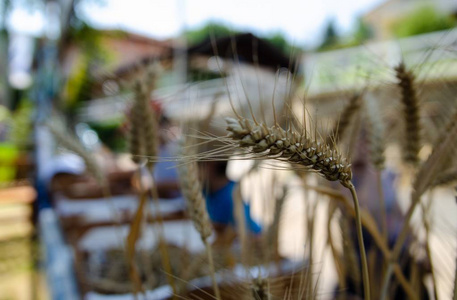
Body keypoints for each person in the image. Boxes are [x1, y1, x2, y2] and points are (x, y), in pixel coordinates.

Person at [199, 160, 262, 238]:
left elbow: (248, 232)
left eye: (198, 167)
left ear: (210, 166)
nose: (195, 173)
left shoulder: (233, 194)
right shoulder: (204, 191)